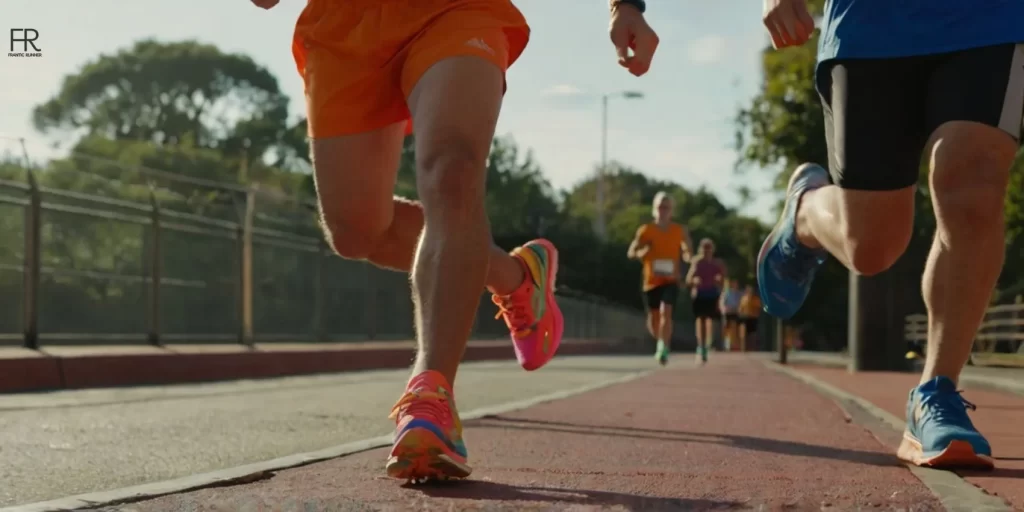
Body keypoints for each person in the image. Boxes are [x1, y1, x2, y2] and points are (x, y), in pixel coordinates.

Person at [252, 0, 658, 483]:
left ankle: (430, 397)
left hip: (455, 10)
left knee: (452, 171)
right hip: (346, 22)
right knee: (358, 231)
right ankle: (516, 277)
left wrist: (624, 5)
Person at [758, 0, 1023, 469]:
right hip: (872, 28)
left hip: (995, 19)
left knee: (974, 185)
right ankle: (807, 210)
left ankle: (936, 393)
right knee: (872, 247)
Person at [627, 191, 692, 365]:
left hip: (671, 279)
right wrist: (643, 252)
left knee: (666, 312)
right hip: (651, 281)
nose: (663, 210)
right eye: (660, 207)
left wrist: (687, 255)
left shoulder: (678, 230)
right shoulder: (646, 230)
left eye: (666, 207)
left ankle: (663, 346)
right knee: (654, 320)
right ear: (654, 209)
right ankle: (660, 340)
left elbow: (687, 248)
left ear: (671, 210)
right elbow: (631, 252)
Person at [685, 238, 726, 364]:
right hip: (699, 294)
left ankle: (707, 344)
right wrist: (695, 281)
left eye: (708, 248)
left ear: (712, 249)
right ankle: (701, 346)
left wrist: (719, 282)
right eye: (704, 247)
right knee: (700, 319)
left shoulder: (717, 263)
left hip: (712, 294)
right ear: (700, 249)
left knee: (709, 320)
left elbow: (723, 280)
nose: (706, 250)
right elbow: (688, 280)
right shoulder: (697, 262)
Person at [718, 279, 742, 351]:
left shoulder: (739, 293)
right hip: (727, 313)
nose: (735, 285)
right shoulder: (726, 293)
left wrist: (738, 309)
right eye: (733, 283)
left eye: (736, 283)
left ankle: (735, 345)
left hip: (735, 313)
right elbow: (722, 303)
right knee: (726, 328)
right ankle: (725, 345)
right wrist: (725, 309)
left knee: (735, 328)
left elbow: (741, 303)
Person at [737, 284, 762, 352]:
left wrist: (755, 314)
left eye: (751, 290)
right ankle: (744, 348)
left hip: (753, 318)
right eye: (748, 290)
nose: (749, 291)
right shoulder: (743, 298)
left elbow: (758, 308)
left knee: (752, 334)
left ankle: (752, 348)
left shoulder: (755, 299)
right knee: (743, 333)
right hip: (744, 318)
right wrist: (740, 313)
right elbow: (740, 308)